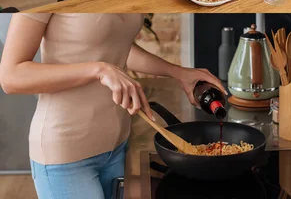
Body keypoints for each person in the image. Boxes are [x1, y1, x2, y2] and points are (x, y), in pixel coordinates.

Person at [0, 13, 226, 199]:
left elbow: (115, 47)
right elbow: (11, 77)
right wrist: (98, 70)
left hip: (116, 147)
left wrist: (178, 72)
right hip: (66, 154)